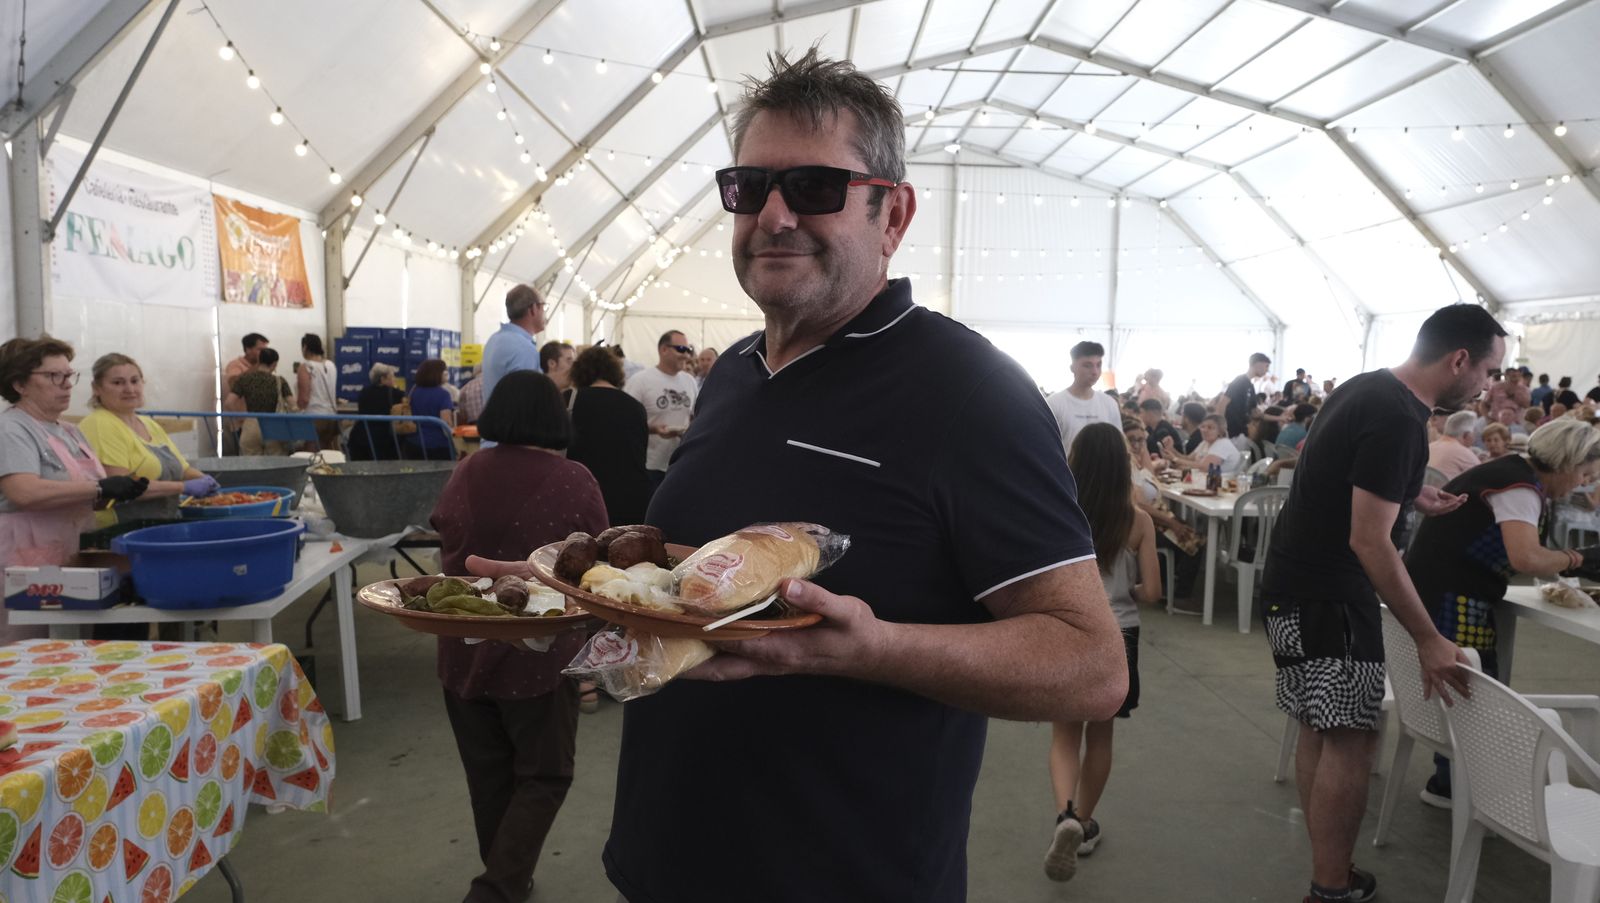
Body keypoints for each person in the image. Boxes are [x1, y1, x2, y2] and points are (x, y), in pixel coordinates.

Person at [453, 49, 1128, 903]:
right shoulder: (732, 371)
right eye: (749, 187)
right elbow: (709, 580)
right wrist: (581, 596)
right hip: (664, 858)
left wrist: (873, 647)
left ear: (893, 213)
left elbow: (1092, 664)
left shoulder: (969, 392)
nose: (773, 215)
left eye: (814, 186)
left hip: (848, 874)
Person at [1261, 303, 1505, 903]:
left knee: (1323, 727)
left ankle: (1330, 874)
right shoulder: (1401, 418)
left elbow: (1340, 477)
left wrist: (1407, 494)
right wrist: (1428, 637)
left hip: (1291, 587)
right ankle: (1331, 885)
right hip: (1331, 598)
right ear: (1459, 360)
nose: (1490, 386)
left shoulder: (1370, 387)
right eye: (1491, 372)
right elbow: (1368, 540)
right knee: (1350, 736)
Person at [429, 369, 607, 903]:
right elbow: (595, 567)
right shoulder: (575, 478)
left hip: (460, 646)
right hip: (540, 653)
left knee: (489, 778)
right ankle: (498, 888)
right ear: (556, 417)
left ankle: (510, 877)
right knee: (545, 774)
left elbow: (443, 532)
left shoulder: (466, 471)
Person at [1406, 418, 1600, 811]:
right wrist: (1580, 558)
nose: (1582, 482)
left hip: (1430, 590)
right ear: (1566, 462)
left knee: (1469, 689)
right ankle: (1464, 789)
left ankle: (1453, 780)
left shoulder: (1511, 473)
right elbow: (1526, 557)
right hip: (1451, 599)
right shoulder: (1520, 488)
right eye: (1584, 473)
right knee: (1475, 691)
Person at [1045, 422, 1160, 881]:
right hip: (1120, 638)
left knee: (1064, 736)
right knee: (1102, 736)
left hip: (1068, 631)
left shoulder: (1060, 512)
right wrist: (1125, 586)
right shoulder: (1139, 520)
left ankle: (1064, 816)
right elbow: (1151, 592)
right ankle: (1086, 821)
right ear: (1121, 466)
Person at [0, 337, 148, 643]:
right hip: (24, 562)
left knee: (70, 647)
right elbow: (23, 492)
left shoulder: (70, 431)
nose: (67, 384)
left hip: (69, 558)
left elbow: (84, 496)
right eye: (54, 376)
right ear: (19, 384)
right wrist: (98, 488)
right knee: (27, 649)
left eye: (69, 375)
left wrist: (115, 493)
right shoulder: (11, 429)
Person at [80, 354, 219, 524]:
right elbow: (122, 486)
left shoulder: (148, 424)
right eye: (117, 383)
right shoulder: (100, 424)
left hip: (157, 523)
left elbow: (182, 469)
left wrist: (207, 482)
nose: (129, 389)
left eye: (134, 381)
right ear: (96, 388)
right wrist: (183, 487)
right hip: (119, 529)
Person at [564, 346, 650, 527]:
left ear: (580, 371)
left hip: (581, 494)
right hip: (629, 498)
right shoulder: (634, 406)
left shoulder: (569, 400)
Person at [623, 331, 697, 488]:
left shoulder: (689, 381)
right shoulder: (640, 381)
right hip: (650, 465)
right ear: (664, 350)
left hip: (681, 463)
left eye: (688, 350)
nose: (686, 355)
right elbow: (626, 422)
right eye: (681, 349)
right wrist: (653, 429)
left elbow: (694, 416)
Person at [1045, 341, 1122, 454]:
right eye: (1088, 365)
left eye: (1098, 365)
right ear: (1072, 367)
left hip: (1104, 470)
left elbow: (1118, 444)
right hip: (1067, 470)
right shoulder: (1054, 404)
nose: (1095, 372)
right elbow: (1048, 447)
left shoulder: (1109, 404)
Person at [482, 285, 546, 406]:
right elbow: (527, 400)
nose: (544, 313)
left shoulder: (494, 340)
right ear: (533, 308)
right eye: (543, 306)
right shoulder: (523, 348)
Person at [232, 348, 295, 456]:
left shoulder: (245, 379)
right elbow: (293, 405)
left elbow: (229, 402)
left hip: (251, 424)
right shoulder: (280, 381)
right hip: (274, 426)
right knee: (275, 463)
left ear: (259, 361)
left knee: (250, 464)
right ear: (274, 364)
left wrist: (240, 419)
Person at [220, 333, 268, 454]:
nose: (263, 353)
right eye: (260, 349)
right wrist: (257, 366)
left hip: (260, 421)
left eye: (265, 350)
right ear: (248, 349)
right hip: (241, 423)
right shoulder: (235, 365)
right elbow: (234, 384)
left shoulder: (264, 367)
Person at [347, 363, 406, 461]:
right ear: (383, 379)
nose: (394, 379)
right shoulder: (396, 394)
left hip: (361, 437)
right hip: (384, 440)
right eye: (392, 376)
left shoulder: (364, 392)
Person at [403, 359, 456, 460]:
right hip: (437, 445)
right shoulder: (443, 394)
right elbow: (445, 424)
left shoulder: (414, 391)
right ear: (437, 374)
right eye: (444, 371)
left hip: (413, 442)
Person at [296, 334, 339, 452]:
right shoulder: (331, 365)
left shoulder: (306, 367)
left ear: (305, 347)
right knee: (327, 451)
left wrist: (298, 408)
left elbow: (304, 398)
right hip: (332, 415)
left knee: (311, 452)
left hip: (314, 415)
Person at [1160, 413, 1242, 475]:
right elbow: (1188, 459)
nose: (1205, 430)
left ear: (1220, 431)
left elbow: (1205, 467)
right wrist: (1171, 449)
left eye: (1210, 427)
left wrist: (1175, 459)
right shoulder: (1205, 442)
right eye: (1203, 427)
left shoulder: (1222, 443)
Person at [1224, 353, 1271, 438]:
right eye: (1266, 366)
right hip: (1231, 432)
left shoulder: (1250, 386)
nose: (1267, 370)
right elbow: (1222, 405)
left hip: (1241, 431)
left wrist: (1279, 418)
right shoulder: (1239, 381)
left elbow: (1254, 413)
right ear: (1258, 364)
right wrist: (1221, 430)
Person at [1426, 411, 1482, 481]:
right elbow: (1483, 479)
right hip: (1446, 491)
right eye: (1474, 432)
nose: (1475, 436)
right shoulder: (1463, 453)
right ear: (1467, 435)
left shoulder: (1429, 447)